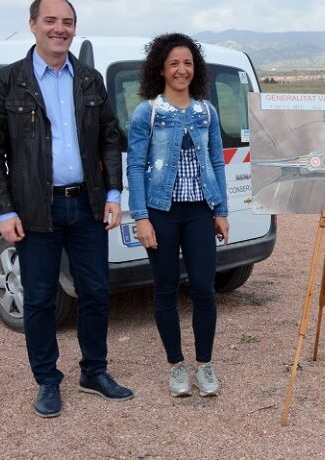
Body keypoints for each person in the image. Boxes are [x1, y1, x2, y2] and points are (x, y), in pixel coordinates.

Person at [0, 0, 132, 418]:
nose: (59, 28)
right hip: (34, 211)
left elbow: (110, 138)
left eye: (67, 21)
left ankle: (94, 372)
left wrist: (114, 193)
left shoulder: (89, 80)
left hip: (86, 206)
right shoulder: (6, 82)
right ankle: (47, 381)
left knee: (97, 293)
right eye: (50, 20)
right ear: (33, 25)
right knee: (41, 299)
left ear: (74, 28)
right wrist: (4, 211)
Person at [127, 33, 230, 398]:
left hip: (201, 212)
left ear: (195, 68)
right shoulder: (148, 112)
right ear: (161, 69)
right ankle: (176, 367)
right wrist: (141, 217)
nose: (181, 69)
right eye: (174, 63)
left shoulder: (206, 111)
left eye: (187, 63)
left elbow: (217, 161)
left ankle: (205, 365)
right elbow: (135, 166)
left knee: (204, 289)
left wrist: (221, 210)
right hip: (162, 213)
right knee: (166, 290)